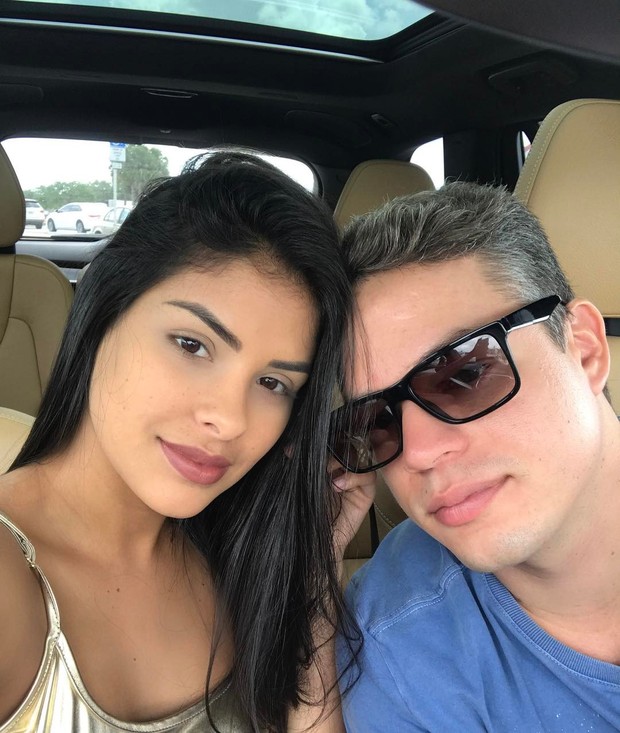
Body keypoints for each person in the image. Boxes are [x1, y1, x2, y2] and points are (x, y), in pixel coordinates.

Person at [0, 151, 364, 733]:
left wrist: (313, 566)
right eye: (192, 345)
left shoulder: (242, 555)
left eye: (273, 383)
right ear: (101, 310)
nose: (230, 420)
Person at [331, 181, 620, 731]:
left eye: (464, 375)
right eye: (375, 422)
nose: (417, 454)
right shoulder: (401, 648)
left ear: (584, 349)